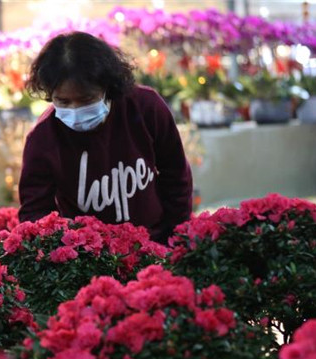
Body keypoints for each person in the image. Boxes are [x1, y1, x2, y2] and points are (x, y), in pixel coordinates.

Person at [18, 31, 193, 244]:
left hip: (155, 242)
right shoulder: (43, 138)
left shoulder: (145, 107)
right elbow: (35, 210)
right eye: (63, 101)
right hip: (87, 257)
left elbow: (175, 173)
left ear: (107, 87)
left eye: (86, 99)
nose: (76, 110)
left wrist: (174, 235)